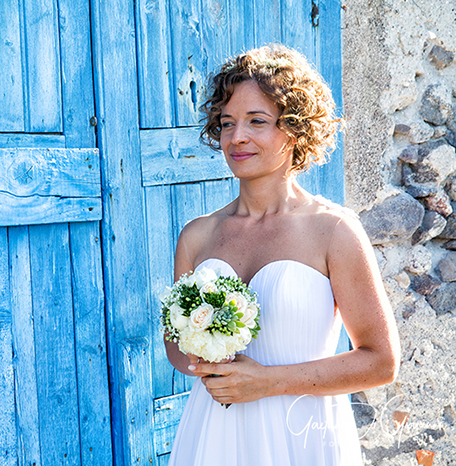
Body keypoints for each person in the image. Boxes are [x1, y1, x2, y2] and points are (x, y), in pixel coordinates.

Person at [165, 44, 400, 465]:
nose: (237, 137)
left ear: (295, 129)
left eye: (257, 121)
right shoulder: (197, 237)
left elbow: (380, 361)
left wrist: (269, 382)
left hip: (302, 434)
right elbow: (176, 349)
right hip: (216, 433)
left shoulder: (334, 230)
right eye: (227, 123)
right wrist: (204, 355)